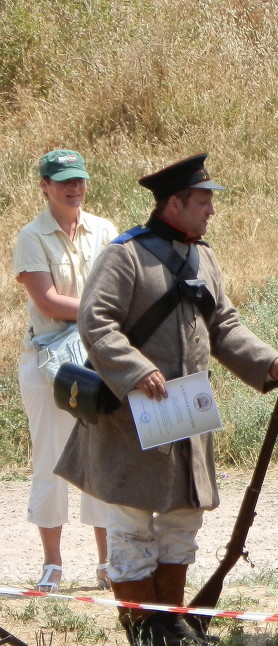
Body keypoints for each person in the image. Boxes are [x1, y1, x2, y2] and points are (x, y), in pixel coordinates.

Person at [55, 154, 278, 646]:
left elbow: (224, 326)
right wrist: (135, 368)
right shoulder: (125, 255)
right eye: (202, 201)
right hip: (130, 417)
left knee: (182, 519)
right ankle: (141, 627)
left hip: (185, 414)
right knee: (131, 523)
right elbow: (95, 321)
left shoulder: (203, 258)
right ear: (174, 203)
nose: (211, 210)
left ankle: (170, 622)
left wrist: (269, 362)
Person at [13, 149, 114, 593]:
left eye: (79, 180)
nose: (74, 188)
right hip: (47, 361)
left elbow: (119, 285)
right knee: (52, 458)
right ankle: (52, 564)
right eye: (63, 181)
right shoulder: (32, 236)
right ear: (45, 186)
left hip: (97, 357)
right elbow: (48, 302)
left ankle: (107, 562)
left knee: (101, 455)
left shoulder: (104, 230)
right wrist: (105, 313)